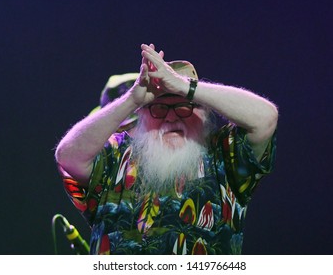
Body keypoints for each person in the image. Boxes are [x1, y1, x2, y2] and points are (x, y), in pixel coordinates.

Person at [55, 43, 278, 255]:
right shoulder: (117, 156)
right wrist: (132, 99)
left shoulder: (223, 156)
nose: (171, 117)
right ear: (141, 116)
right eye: (159, 107)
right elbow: (68, 156)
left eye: (183, 106)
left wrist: (184, 86)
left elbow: (266, 119)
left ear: (204, 112)